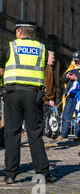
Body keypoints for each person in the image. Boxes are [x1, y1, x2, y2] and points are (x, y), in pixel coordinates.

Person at [0, 21, 55, 184]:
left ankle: (10, 174)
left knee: (12, 133)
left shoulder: (11, 46)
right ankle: (43, 173)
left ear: (19, 32)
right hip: (33, 94)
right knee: (35, 134)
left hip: (13, 93)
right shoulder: (42, 49)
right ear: (33, 33)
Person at [57, 51, 80, 141]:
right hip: (71, 93)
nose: (76, 62)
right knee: (66, 113)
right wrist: (67, 76)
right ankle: (64, 134)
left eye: (77, 60)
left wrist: (77, 78)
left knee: (79, 113)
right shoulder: (71, 67)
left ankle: (78, 134)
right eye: (75, 60)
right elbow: (63, 78)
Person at [43, 51, 56, 138]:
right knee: (44, 118)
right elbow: (48, 84)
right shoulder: (48, 68)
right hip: (45, 99)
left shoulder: (46, 67)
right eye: (52, 57)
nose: (54, 59)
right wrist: (50, 98)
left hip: (43, 98)